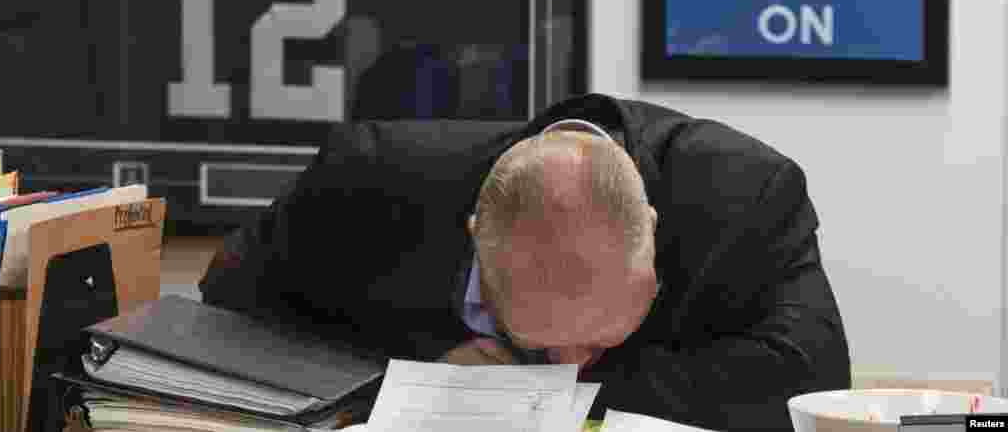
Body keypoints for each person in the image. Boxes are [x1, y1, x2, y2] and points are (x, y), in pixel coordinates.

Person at [199, 93, 850, 430]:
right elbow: (230, 301)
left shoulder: (744, 197)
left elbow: (811, 381)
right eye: (532, 337)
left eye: (602, 337)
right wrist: (410, 374)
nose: (569, 364)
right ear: (477, 237)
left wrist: (531, 389)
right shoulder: (369, 182)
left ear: (651, 232)